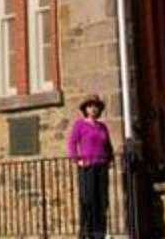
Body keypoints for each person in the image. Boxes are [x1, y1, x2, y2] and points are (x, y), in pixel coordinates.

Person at [67, 94, 114, 239]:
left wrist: (110, 159)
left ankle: (99, 233)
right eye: (90, 106)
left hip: (101, 166)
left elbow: (108, 145)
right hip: (87, 167)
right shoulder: (80, 124)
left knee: (102, 200)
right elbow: (72, 143)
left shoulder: (102, 127)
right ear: (86, 109)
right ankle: (86, 233)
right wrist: (77, 159)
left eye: (95, 106)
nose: (93, 108)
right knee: (88, 200)